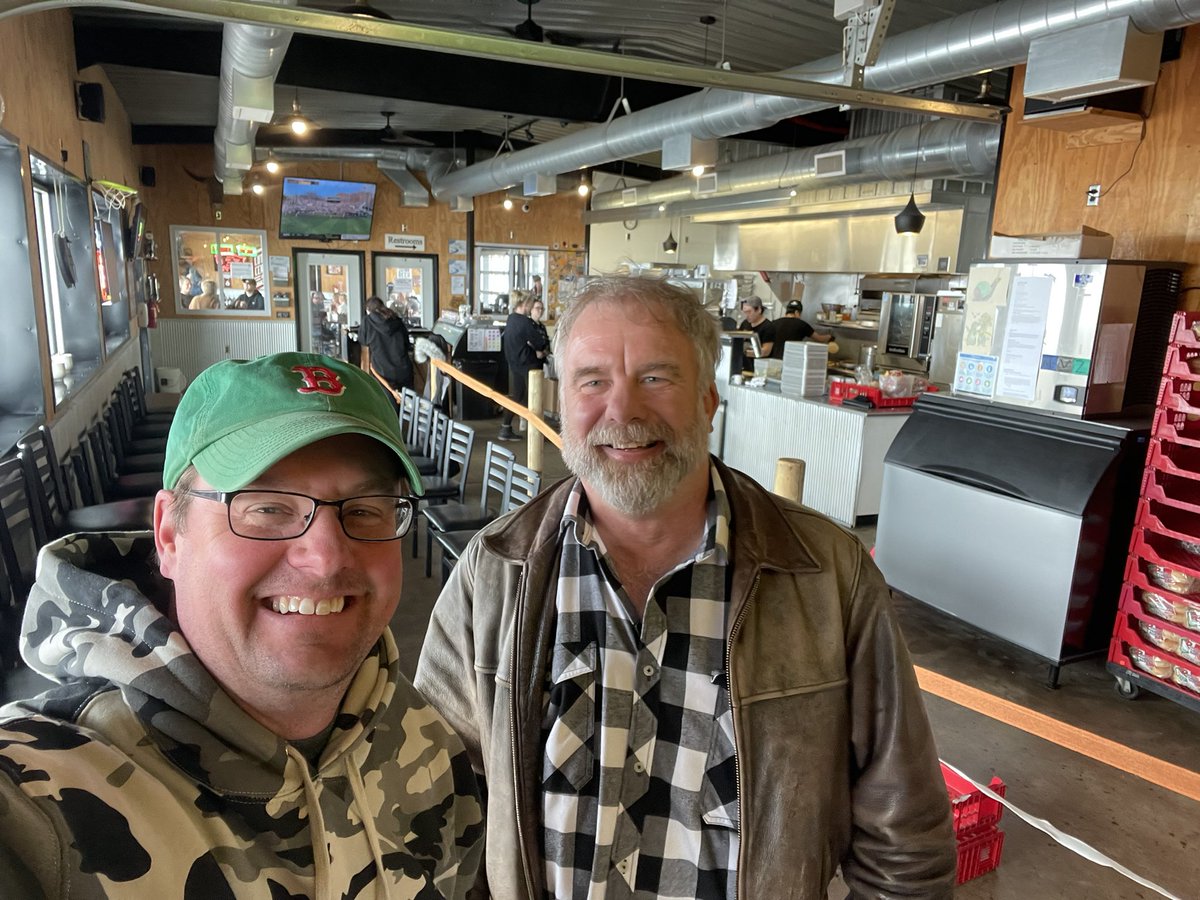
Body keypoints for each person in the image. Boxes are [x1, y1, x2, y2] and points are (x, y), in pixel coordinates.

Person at [416, 276, 956, 899]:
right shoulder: (495, 574)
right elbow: (439, 813)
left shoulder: (828, 577)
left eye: (656, 378)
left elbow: (906, 842)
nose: (623, 412)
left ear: (707, 399)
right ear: (562, 402)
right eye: (593, 381)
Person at [0, 352, 484, 897]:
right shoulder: (38, 799)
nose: (325, 559)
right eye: (266, 508)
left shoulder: (429, 744)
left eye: (366, 508)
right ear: (168, 535)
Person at [497, 289, 548, 442]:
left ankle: (505, 428)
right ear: (525, 304)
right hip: (529, 365)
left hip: (514, 363)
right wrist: (538, 349)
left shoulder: (511, 319)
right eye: (532, 303)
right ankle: (538, 432)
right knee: (534, 398)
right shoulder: (525, 322)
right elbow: (540, 343)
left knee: (518, 396)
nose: (533, 306)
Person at [359, 294, 414, 400]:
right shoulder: (396, 319)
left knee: (387, 407)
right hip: (403, 369)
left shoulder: (367, 321)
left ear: (368, 309)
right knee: (407, 406)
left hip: (382, 371)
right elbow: (407, 344)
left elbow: (363, 340)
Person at [769, 298, 833, 358]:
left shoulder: (774, 323)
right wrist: (830, 337)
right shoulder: (801, 324)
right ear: (796, 312)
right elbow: (820, 338)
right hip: (791, 359)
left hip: (773, 359)